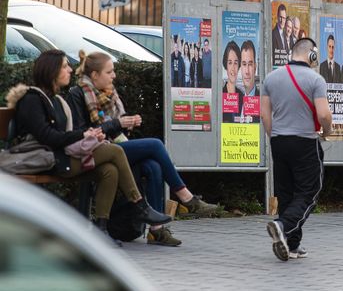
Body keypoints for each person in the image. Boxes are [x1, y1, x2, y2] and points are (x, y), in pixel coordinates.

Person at [8, 50, 171, 244]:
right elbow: (48, 137)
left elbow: (65, 135)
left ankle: (101, 230)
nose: (70, 69)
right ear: (52, 71)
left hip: (61, 156)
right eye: (65, 66)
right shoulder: (32, 99)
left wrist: (91, 135)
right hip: (48, 160)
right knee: (115, 151)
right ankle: (139, 204)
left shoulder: (57, 100)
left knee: (109, 170)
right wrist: (84, 134)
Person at [68, 50, 219, 246]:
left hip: (117, 147)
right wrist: (118, 124)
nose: (114, 75)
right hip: (98, 152)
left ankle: (157, 231)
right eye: (109, 72)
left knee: (153, 166)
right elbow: (82, 133)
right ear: (95, 75)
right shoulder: (78, 94)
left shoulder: (109, 94)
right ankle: (185, 196)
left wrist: (128, 125)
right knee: (155, 144)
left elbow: (118, 130)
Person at [261, 38, 333, 261]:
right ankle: (282, 226)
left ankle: (291, 244)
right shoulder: (316, 79)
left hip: (278, 141)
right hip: (305, 142)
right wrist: (327, 132)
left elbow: (264, 114)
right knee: (309, 191)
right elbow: (323, 115)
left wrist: (275, 135)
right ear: (312, 55)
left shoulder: (270, 78)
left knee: (286, 193)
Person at [222, 41, 244, 123]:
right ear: (225, 65)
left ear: (239, 66)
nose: (233, 68)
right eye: (230, 63)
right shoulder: (221, 95)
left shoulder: (242, 96)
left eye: (235, 63)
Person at [240, 40, 260, 123]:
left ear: (255, 67)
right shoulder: (236, 101)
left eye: (250, 64)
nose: (247, 71)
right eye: (244, 64)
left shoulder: (262, 101)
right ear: (240, 67)